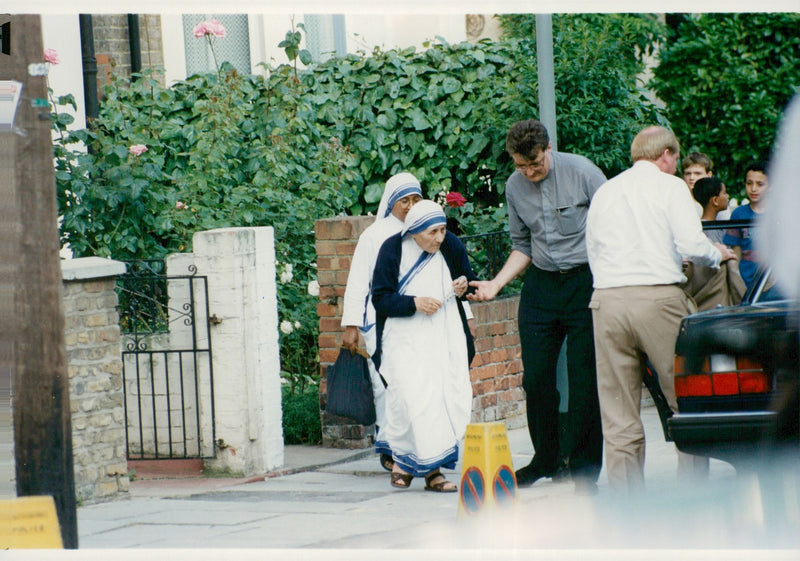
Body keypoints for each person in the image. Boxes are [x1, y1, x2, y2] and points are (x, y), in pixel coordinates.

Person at [585, 125, 737, 495]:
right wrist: (717, 253)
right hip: (658, 298)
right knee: (685, 399)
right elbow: (692, 243)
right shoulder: (670, 188)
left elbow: (593, 249)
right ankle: (691, 493)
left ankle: (627, 503)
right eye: (675, 159)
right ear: (666, 154)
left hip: (607, 300)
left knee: (619, 409)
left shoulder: (606, 190)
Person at [468, 119, 605, 495]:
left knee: (583, 380)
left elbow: (614, 225)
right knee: (537, 378)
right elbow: (522, 244)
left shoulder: (583, 172)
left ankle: (583, 470)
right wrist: (496, 284)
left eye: (535, 164)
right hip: (543, 284)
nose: (529, 173)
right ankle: (545, 458)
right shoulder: (514, 186)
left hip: (585, 280)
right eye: (520, 166)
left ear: (548, 148)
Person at [371, 200, 477, 492]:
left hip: (443, 335)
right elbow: (380, 297)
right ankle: (404, 462)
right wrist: (414, 303)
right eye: (432, 232)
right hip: (404, 337)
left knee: (437, 399)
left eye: (443, 230)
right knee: (408, 397)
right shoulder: (392, 250)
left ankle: (434, 472)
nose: (439, 237)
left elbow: (468, 280)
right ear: (414, 230)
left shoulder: (450, 246)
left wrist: (462, 287)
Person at [340, 172, 422, 472]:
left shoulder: (424, 231)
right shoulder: (374, 236)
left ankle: (416, 446)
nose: (410, 206)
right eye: (404, 200)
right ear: (391, 202)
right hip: (379, 322)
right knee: (385, 383)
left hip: (416, 320)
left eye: (416, 199)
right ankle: (389, 445)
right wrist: (351, 325)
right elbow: (358, 282)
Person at [723, 160, 770, 288]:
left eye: (760, 184)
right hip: (745, 283)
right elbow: (735, 253)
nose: (753, 189)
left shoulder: (778, 214)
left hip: (773, 286)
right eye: (749, 183)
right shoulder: (738, 214)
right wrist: (737, 282)